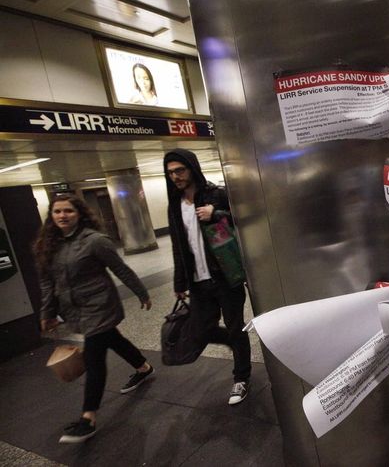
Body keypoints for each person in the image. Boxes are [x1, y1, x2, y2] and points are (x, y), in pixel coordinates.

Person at [34, 195, 153, 444]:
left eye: (68, 211)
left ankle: (88, 418)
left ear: (79, 214)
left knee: (94, 357)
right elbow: (47, 284)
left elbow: (121, 269)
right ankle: (143, 367)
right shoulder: (49, 245)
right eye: (57, 212)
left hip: (100, 306)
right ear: (51, 215)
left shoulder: (95, 241)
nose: (62, 216)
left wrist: (141, 293)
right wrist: (46, 313)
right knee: (112, 338)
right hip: (74, 310)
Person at [164, 148, 252, 405]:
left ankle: (242, 378)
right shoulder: (175, 206)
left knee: (235, 325)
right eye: (171, 173)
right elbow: (178, 246)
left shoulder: (216, 194)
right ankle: (237, 342)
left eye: (180, 170)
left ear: (192, 168)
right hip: (198, 281)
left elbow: (245, 221)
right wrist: (180, 282)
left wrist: (217, 213)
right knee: (201, 330)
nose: (176, 177)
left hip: (225, 275)